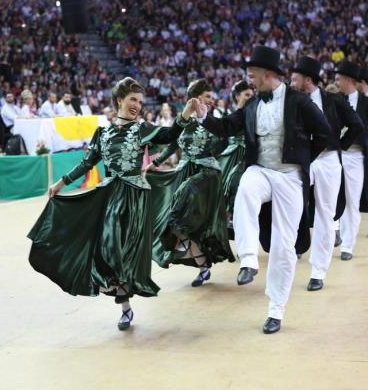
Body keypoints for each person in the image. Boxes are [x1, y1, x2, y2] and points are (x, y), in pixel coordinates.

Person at [28, 77, 190, 331]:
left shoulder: (142, 129)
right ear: (118, 101)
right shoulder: (103, 133)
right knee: (109, 243)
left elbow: (170, 134)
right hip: (112, 192)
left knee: (122, 250)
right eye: (132, 100)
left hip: (136, 194)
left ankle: (123, 300)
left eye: (140, 101)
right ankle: (123, 304)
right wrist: (61, 183)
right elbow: (88, 162)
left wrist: (185, 115)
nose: (137, 105)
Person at [198, 46, 333, 334]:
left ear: (268, 74)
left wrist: (302, 160)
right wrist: (203, 117)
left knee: (284, 246)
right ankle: (247, 259)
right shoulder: (252, 104)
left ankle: (276, 310)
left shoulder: (299, 101)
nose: (249, 80)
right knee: (246, 184)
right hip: (262, 170)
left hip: (289, 177)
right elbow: (226, 127)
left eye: (252, 75)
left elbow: (324, 133)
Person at [145, 79, 234, 288]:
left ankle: (188, 247)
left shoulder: (213, 121)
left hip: (206, 174)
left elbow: (222, 143)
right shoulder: (182, 121)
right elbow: (171, 145)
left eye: (213, 98)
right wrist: (155, 163)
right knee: (188, 222)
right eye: (207, 97)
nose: (211, 101)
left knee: (182, 215)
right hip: (184, 171)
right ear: (195, 99)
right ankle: (203, 266)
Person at [291, 56, 364, 291]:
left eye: (295, 78)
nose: (291, 82)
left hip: (329, 160)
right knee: (291, 205)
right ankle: (294, 250)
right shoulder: (291, 101)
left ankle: (318, 271)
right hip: (304, 161)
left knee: (325, 214)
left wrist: (338, 146)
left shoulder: (332, 100)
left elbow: (357, 125)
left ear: (308, 80)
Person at [334, 61, 368, 261]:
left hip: (355, 156)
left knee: (352, 200)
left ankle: (348, 245)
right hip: (333, 155)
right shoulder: (333, 100)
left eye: (339, 79)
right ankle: (333, 234)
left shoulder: (365, 103)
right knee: (328, 198)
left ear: (349, 80)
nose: (336, 82)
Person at [217, 80, 254, 224]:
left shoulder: (254, 112)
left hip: (247, 154)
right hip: (232, 153)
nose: (251, 97)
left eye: (252, 94)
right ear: (238, 96)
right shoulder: (234, 113)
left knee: (235, 182)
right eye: (247, 95)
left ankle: (235, 216)